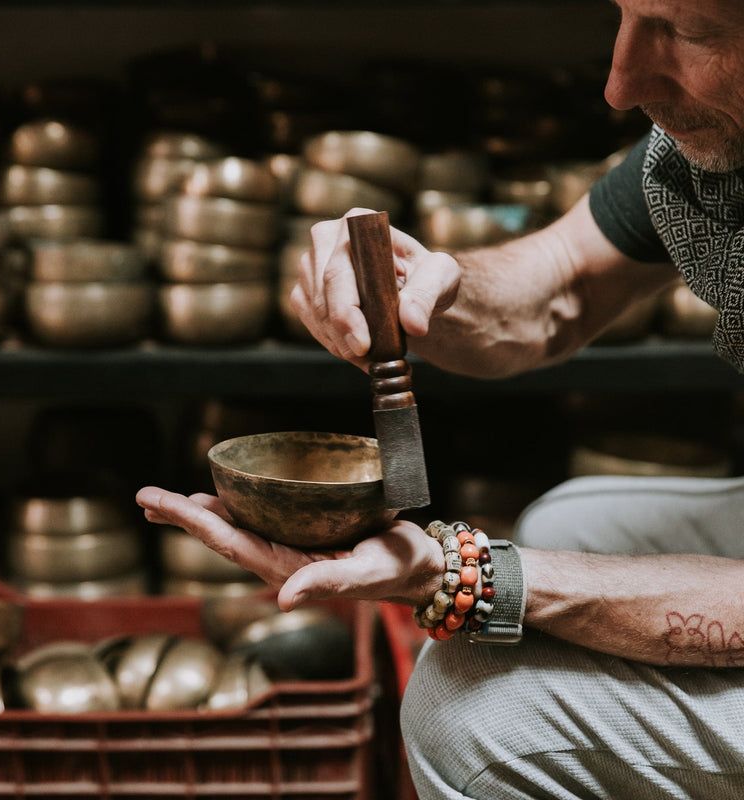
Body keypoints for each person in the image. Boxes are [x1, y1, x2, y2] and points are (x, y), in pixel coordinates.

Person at [137, 0, 744, 796]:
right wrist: (423, 291)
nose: (620, 84)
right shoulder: (701, 159)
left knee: (473, 719)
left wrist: (464, 577)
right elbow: (561, 282)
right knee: (569, 523)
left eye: (691, 34)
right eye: (623, 18)